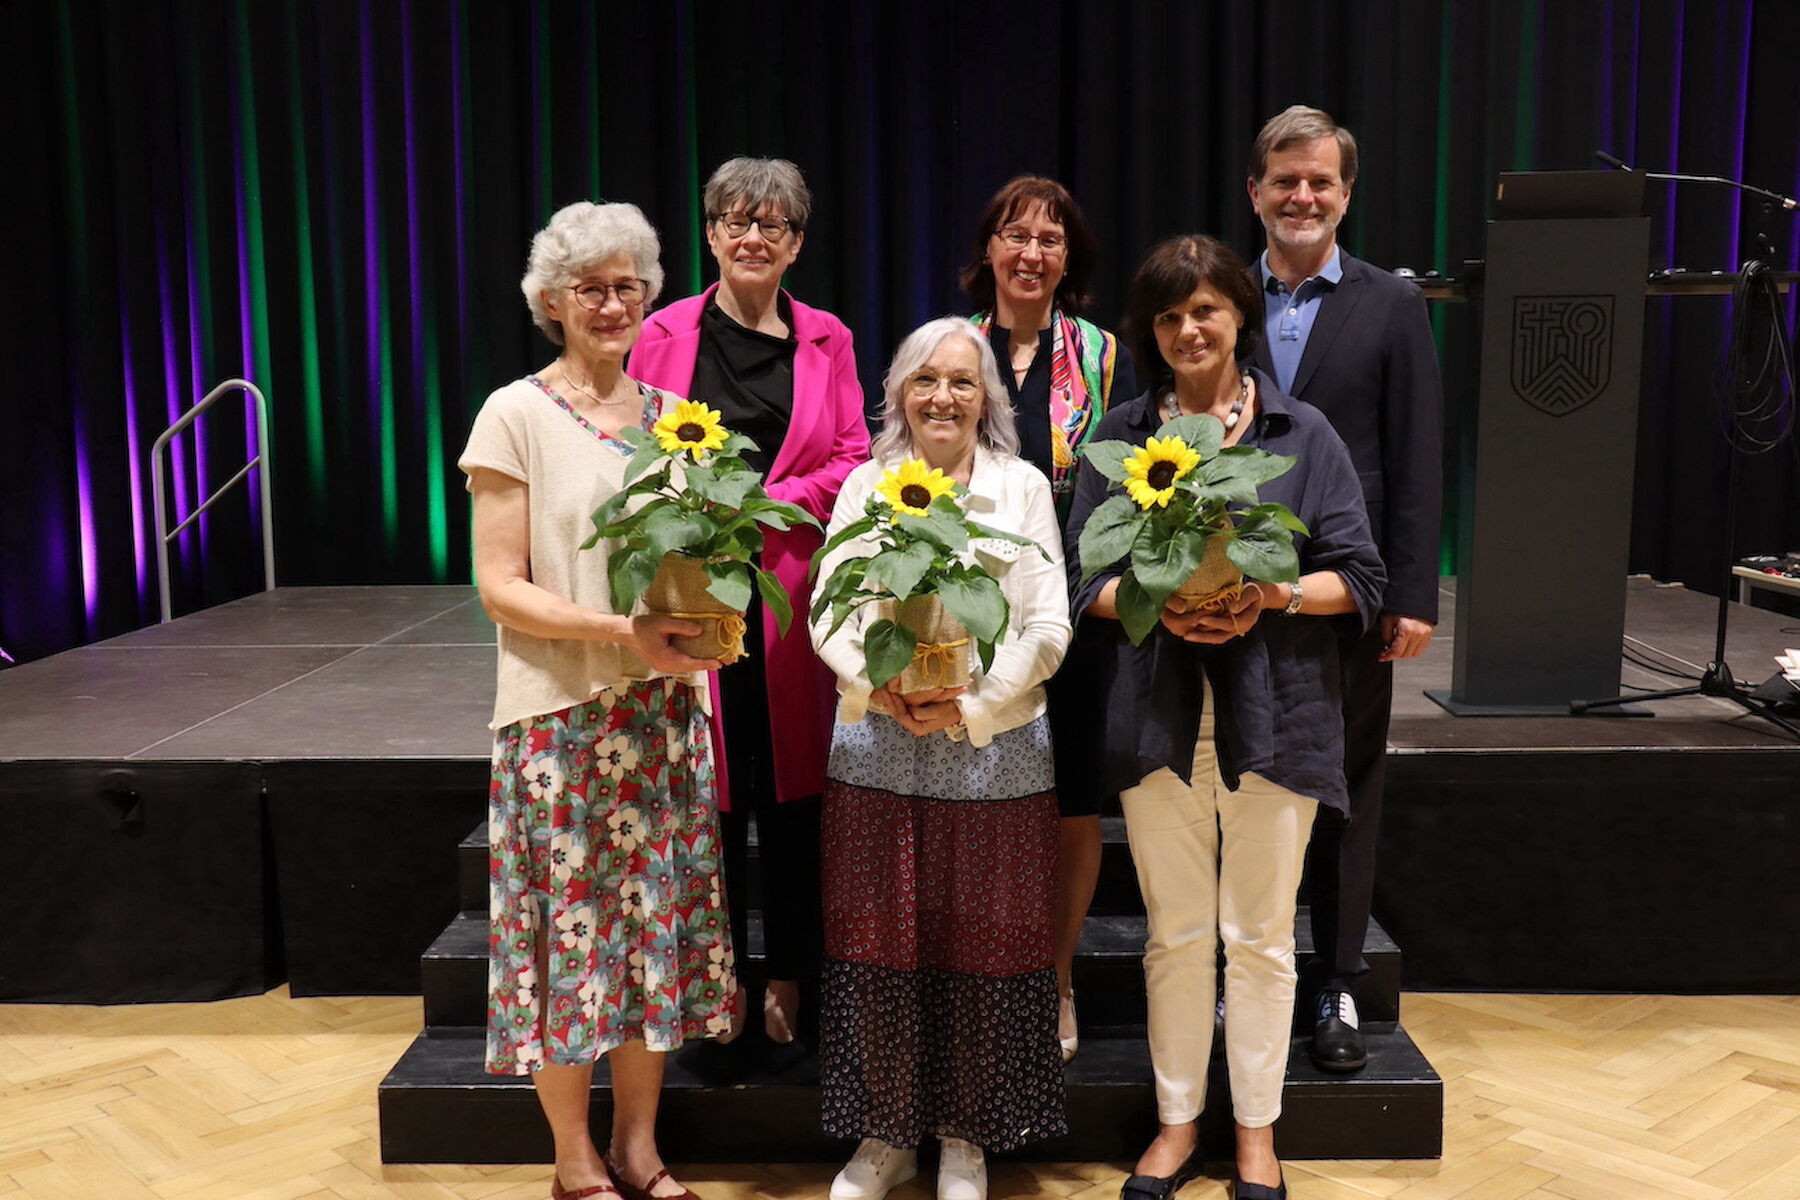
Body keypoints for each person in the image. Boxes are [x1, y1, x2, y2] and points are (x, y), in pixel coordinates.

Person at [1067, 237, 1385, 1200]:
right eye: (1169, 317)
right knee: (1174, 935)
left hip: (1277, 715)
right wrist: (1157, 601)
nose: (1189, 330)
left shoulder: (1302, 432)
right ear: (1151, 334)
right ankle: (1176, 1123)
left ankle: (1255, 1131)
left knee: (1257, 936)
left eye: (1206, 310)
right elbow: (1085, 582)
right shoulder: (1120, 438)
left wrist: (1273, 595)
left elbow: (1360, 578)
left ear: (1241, 315)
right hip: (1159, 716)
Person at [461, 200, 736, 1200]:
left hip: (662, 722)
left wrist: (712, 617)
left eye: (629, 286)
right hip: (559, 720)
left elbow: (703, 561)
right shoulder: (514, 413)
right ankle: (575, 1157)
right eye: (592, 287)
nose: (613, 303)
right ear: (551, 301)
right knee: (568, 946)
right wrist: (622, 634)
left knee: (649, 946)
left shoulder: (677, 419)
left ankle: (639, 1146)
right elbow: (499, 583)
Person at [811, 318, 1073, 1200]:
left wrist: (966, 701)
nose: (943, 398)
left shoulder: (1022, 487)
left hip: (992, 753)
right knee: (877, 942)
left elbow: (1047, 626)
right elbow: (827, 615)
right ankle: (887, 1137)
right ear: (897, 394)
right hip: (876, 746)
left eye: (963, 382)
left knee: (985, 947)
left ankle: (966, 1136)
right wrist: (883, 688)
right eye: (925, 381)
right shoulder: (865, 486)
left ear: (988, 397)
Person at [630, 157, 867, 1051]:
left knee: (796, 798)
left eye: (773, 224)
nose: (753, 236)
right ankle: (719, 979)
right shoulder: (657, 334)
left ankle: (793, 979)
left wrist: (772, 504)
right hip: (689, 590)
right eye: (736, 220)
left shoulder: (829, 339)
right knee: (711, 795)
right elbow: (627, 447)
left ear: (797, 243)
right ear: (710, 234)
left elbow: (851, 456)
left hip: (791, 594)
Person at [1244, 105, 1444, 1072]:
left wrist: (1412, 592)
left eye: (1320, 181)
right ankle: (1253, 974)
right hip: (1234, 595)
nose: (1303, 196)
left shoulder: (1391, 303)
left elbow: (1418, 457)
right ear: (1256, 192)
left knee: (1347, 792)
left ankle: (1336, 987)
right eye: (1285, 180)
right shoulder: (1218, 300)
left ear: (1346, 193)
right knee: (1244, 786)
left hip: (1352, 593)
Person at [960, 175, 1138, 1062]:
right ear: (988, 248)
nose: (1032, 253)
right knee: (983, 801)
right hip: (971, 611)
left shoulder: (1103, 356)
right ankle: (984, 978)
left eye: (1051, 240)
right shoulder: (954, 351)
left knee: (1071, 806)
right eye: (1016, 235)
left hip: (1078, 609)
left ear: (1071, 259)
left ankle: (1058, 979)